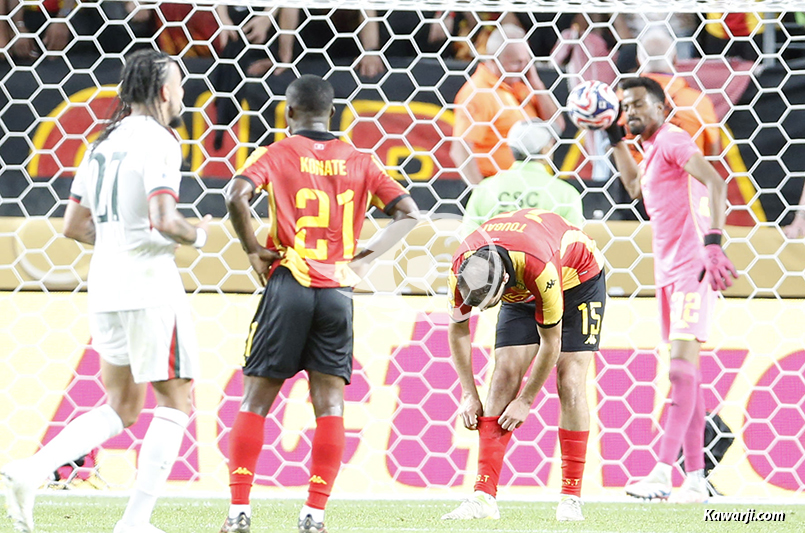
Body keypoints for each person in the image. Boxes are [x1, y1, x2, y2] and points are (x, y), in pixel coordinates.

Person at [1, 49, 210, 533]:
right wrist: (198, 236)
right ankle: (135, 522)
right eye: (179, 83)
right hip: (149, 287)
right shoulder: (161, 141)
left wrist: (119, 240)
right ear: (165, 91)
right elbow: (164, 219)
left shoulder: (101, 142)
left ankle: (32, 470)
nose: (182, 91)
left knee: (123, 405)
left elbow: (73, 225)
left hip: (105, 285)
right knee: (176, 400)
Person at [219, 74, 418, 533]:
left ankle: (239, 512)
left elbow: (235, 195)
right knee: (330, 405)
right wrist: (364, 258)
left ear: (289, 113)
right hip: (336, 292)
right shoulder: (361, 160)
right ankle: (314, 515)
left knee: (256, 400)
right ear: (332, 113)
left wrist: (253, 249)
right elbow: (409, 213)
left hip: (289, 281)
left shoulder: (277, 153)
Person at [606, 76, 738, 503]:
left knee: (680, 371)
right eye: (626, 107)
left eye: (638, 104)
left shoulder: (673, 139)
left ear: (662, 108)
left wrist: (713, 242)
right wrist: (613, 138)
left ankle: (663, 472)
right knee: (689, 378)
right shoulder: (650, 150)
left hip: (690, 268)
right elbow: (633, 188)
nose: (631, 112)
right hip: (667, 273)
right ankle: (696, 480)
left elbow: (716, 182)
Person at [443, 208, 606, 522]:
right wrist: (469, 393)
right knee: (503, 375)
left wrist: (526, 400)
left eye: (489, 304)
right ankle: (484, 496)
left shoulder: (539, 267)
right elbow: (458, 329)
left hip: (577, 280)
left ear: (503, 282)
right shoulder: (462, 268)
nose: (482, 310)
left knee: (570, 381)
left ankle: (570, 498)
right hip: (520, 286)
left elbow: (551, 343)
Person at [451, 23, 564, 185]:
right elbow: (460, 150)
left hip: (529, 185)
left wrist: (536, 84)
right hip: (496, 185)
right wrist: (482, 192)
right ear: (493, 60)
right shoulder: (477, 93)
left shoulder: (521, 85)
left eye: (527, 61)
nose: (524, 67)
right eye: (516, 62)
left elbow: (556, 127)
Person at [460, 118, 583, 238]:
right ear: (545, 150)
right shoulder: (567, 194)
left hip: (491, 252)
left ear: (511, 149)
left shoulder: (485, 189)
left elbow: (469, 239)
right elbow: (574, 244)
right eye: (551, 143)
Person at [636, 26, 721, 158]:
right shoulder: (698, 102)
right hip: (689, 171)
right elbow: (713, 153)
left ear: (638, 61)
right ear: (675, 59)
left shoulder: (619, 101)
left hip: (638, 171)